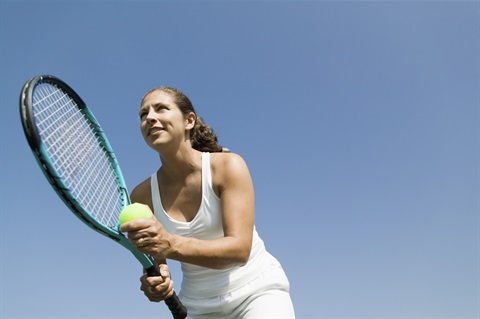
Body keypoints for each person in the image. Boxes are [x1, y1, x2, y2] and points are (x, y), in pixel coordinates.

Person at [119, 86, 295, 318]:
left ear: (189, 120)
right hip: (196, 305)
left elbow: (239, 250)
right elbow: (157, 261)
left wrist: (171, 243)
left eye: (161, 108)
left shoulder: (228, 166)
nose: (150, 117)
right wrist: (156, 282)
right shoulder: (142, 196)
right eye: (143, 114)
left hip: (257, 291)